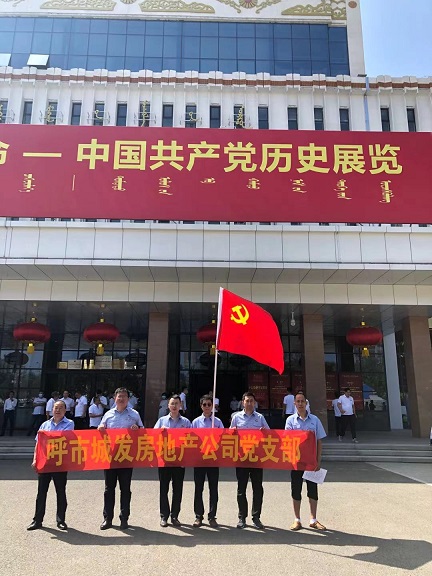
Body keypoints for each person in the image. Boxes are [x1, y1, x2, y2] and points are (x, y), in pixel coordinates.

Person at [98, 387, 143, 530]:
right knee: (109, 489)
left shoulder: (134, 414)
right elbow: (101, 429)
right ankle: (107, 518)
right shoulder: (108, 414)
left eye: (124, 396)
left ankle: (124, 518)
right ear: (114, 398)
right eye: (119, 396)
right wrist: (100, 428)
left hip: (126, 457)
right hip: (110, 457)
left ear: (128, 399)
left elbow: (143, 431)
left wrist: (137, 428)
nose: (121, 399)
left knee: (125, 489)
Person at [27, 400, 74, 531]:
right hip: (45, 463)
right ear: (52, 410)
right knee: (41, 492)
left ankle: (61, 520)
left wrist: (48, 437)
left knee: (60, 492)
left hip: (59, 463)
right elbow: (38, 444)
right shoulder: (45, 424)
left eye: (61, 408)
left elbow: (63, 438)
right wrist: (35, 459)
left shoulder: (69, 423)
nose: (58, 410)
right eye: (56, 408)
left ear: (65, 410)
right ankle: (37, 520)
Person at [285, 391, 327, 531]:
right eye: (298, 401)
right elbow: (287, 440)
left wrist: (318, 460)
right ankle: (297, 519)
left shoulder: (315, 420)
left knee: (312, 490)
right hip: (296, 462)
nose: (300, 403)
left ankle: (313, 519)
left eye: (302, 401)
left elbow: (319, 441)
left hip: (311, 463)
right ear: (294, 404)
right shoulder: (290, 421)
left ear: (306, 403)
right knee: (296, 490)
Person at [230, 391, 270, 530]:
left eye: (251, 401)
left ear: (254, 403)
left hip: (257, 458)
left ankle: (256, 517)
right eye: (247, 401)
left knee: (257, 488)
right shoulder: (236, 417)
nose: (249, 403)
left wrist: (264, 432)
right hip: (241, 458)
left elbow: (270, 434)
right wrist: (232, 432)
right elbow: (229, 436)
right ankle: (242, 517)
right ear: (242, 403)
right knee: (241, 489)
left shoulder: (260, 418)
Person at [154, 394, 191, 527]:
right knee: (164, 488)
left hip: (179, 460)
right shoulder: (161, 421)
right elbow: (153, 437)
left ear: (180, 405)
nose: (174, 406)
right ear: (168, 406)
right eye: (172, 403)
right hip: (165, 459)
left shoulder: (186, 422)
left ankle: (174, 516)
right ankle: (164, 516)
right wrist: (160, 432)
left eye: (177, 403)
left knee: (177, 489)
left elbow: (192, 441)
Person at [191, 395, 224, 528]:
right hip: (199, 459)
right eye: (204, 404)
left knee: (213, 489)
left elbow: (224, 438)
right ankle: (198, 516)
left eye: (209, 404)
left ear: (212, 406)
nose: (207, 407)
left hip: (213, 459)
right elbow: (191, 439)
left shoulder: (217, 422)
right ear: (201, 406)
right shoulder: (196, 422)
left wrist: (216, 434)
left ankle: (212, 516)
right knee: (198, 488)